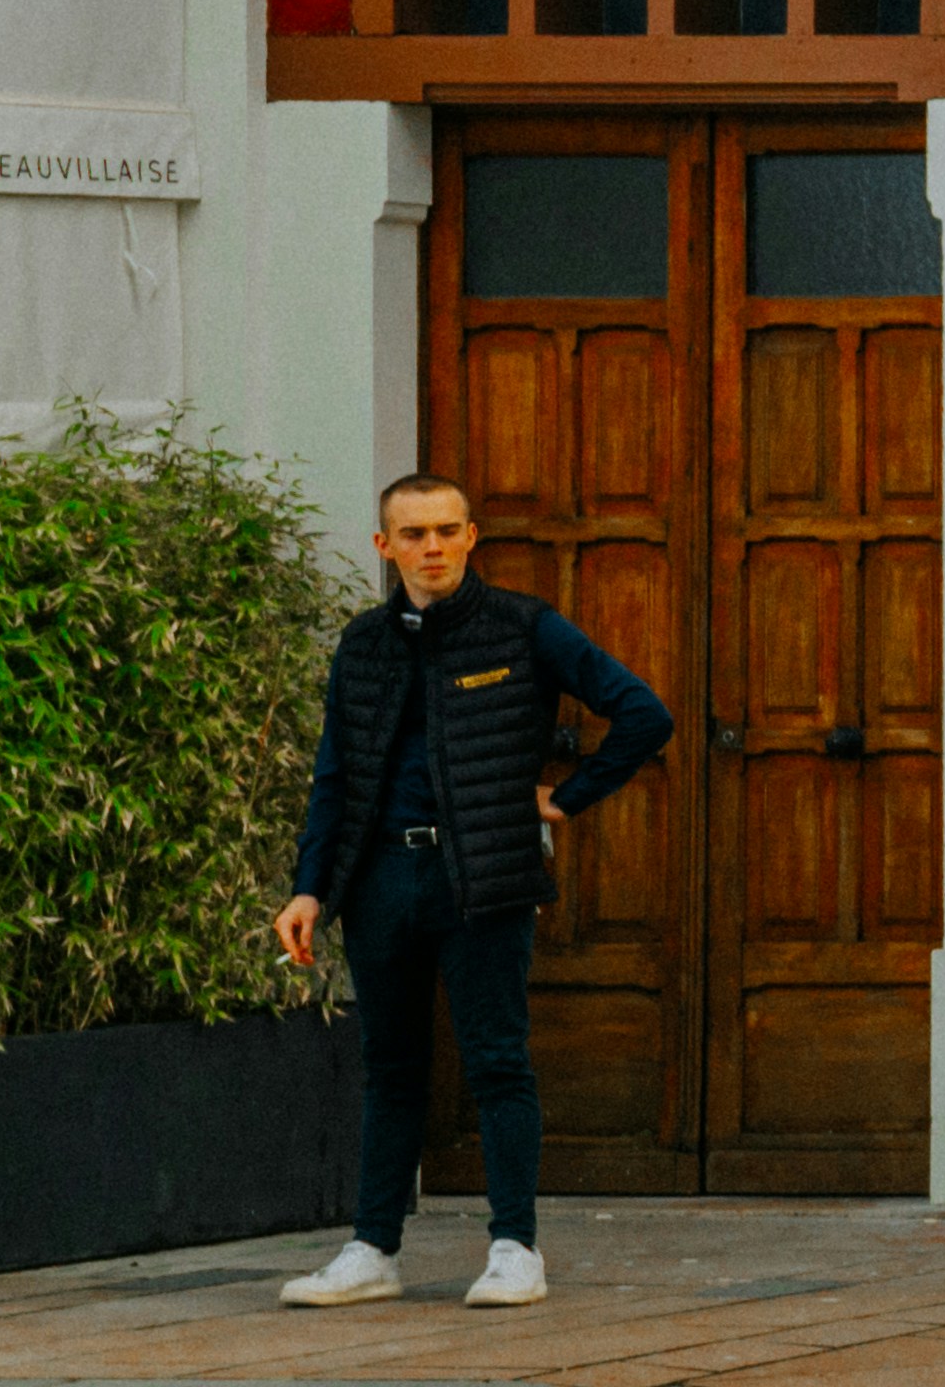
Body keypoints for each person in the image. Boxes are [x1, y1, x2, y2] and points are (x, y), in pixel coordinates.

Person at [270, 474, 674, 1308]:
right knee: (390, 1068)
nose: (433, 548)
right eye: (414, 535)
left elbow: (643, 713)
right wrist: (309, 889)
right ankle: (373, 1249)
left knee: (497, 1060)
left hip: (482, 876)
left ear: (473, 536)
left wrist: (563, 798)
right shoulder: (364, 645)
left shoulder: (524, 627)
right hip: (380, 880)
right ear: (384, 547)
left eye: (448, 531)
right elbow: (335, 777)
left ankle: (515, 1248)